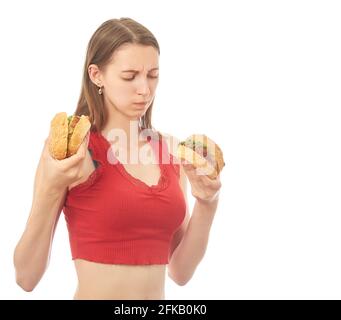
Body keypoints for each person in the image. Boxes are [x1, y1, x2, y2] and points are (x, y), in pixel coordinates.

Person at [13, 17, 222, 300]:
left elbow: (180, 272)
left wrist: (207, 203)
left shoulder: (170, 150)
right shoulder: (72, 153)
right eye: (129, 76)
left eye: (152, 75)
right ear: (97, 75)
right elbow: (26, 277)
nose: (144, 89)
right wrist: (51, 187)